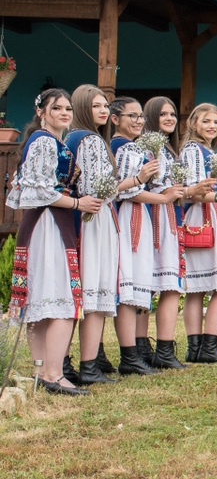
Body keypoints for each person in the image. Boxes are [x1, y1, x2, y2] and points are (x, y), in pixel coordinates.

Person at [7, 89, 89, 394]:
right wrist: (78, 203)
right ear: (41, 112)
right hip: (48, 223)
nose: (64, 113)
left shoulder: (50, 142)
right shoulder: (43, 142)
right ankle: (54, 374)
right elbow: (40, 191)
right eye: (57, 108)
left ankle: (42, 373)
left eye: (68, 108)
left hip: (47, 222)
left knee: (43, 298)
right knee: (62, 299)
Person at [62, 85, 120, 384]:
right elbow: (95, 188)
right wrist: (129, 181)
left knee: (80, 295)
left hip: (83, 218)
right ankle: (88, 366)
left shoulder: (72, 138)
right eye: (96, 105)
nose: (103, 110)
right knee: (93, 292)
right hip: (93, 219)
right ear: (83, 108)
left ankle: (65, 363)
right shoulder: (90, 140)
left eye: (105, 105)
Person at [108, 98, 163, 375]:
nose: (139, 121)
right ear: (115, 119)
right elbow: (125, 189)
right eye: (132, 116)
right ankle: (129, 355)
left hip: (137, 215)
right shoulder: (123, 147)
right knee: (128, 284)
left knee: (135, 284)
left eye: (141, 116)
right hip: (129, 217)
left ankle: (133, 352)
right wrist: (164, 198)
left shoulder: (131, 146)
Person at [178, 102, 217, 364]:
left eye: (216, 122)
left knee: (199, 287)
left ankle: (197, 347)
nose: (212, 126)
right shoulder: (194, 149)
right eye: (206, 121)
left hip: (211, 212)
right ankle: (208, 345)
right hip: (204, 215)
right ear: (193, 124)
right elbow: (193, 189)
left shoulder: (208, 150)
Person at [142, 96, 188, 369]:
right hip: (154, 217)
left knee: (171, 285)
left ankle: (163, 349)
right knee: (151, 285)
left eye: (172, 114)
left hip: (170, 216)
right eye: (162, 114)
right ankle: (142, 348)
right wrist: (166, 194)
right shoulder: (148, 149)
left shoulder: (169, 150)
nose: (169, 118)